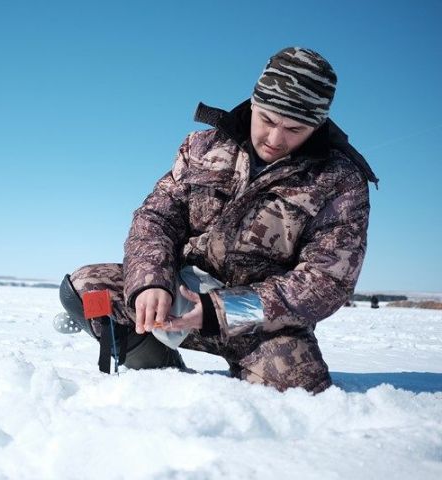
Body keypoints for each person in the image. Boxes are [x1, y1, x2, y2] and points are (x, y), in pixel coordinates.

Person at [57, 47, 378, 394]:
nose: (274, 139)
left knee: (302, 393)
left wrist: (220, 311)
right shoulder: (202, 147)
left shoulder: (340, 181)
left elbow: (325, 282)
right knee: (86, 289)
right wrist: (152, 283)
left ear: (317, 125)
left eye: (294, 128)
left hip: (258, 324)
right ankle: (156, 367)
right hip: (176, 300)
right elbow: (156, 218)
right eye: (268, 120)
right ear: (253, 103)